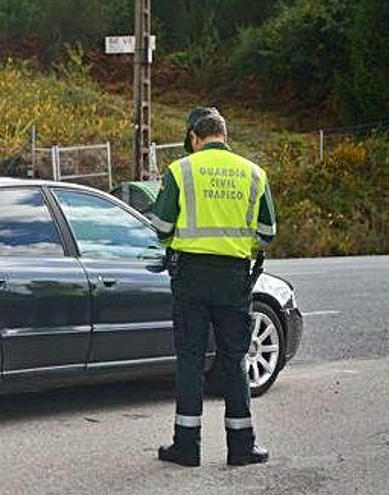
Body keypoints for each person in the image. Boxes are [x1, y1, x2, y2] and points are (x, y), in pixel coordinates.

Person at [147, 107, 277, 467]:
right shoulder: (254, 173)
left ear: (193, 138)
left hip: (191, 276)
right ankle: (242, 447)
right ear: (224, 134)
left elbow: (160, 228)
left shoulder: (180, 170)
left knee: (190, 361)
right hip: (235, 278)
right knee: (234, 360)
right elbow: (267, 234)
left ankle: (186, 447)